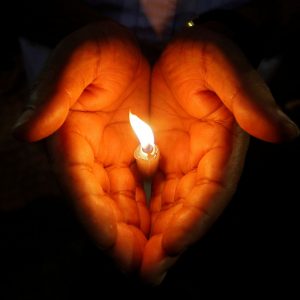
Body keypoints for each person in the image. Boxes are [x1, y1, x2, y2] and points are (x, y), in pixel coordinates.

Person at [12, 0, 299, 285]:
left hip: (227, 100)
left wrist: (232, 29)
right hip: (80, 105)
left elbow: (286, 10)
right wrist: (84, 31)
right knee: (85, 226)